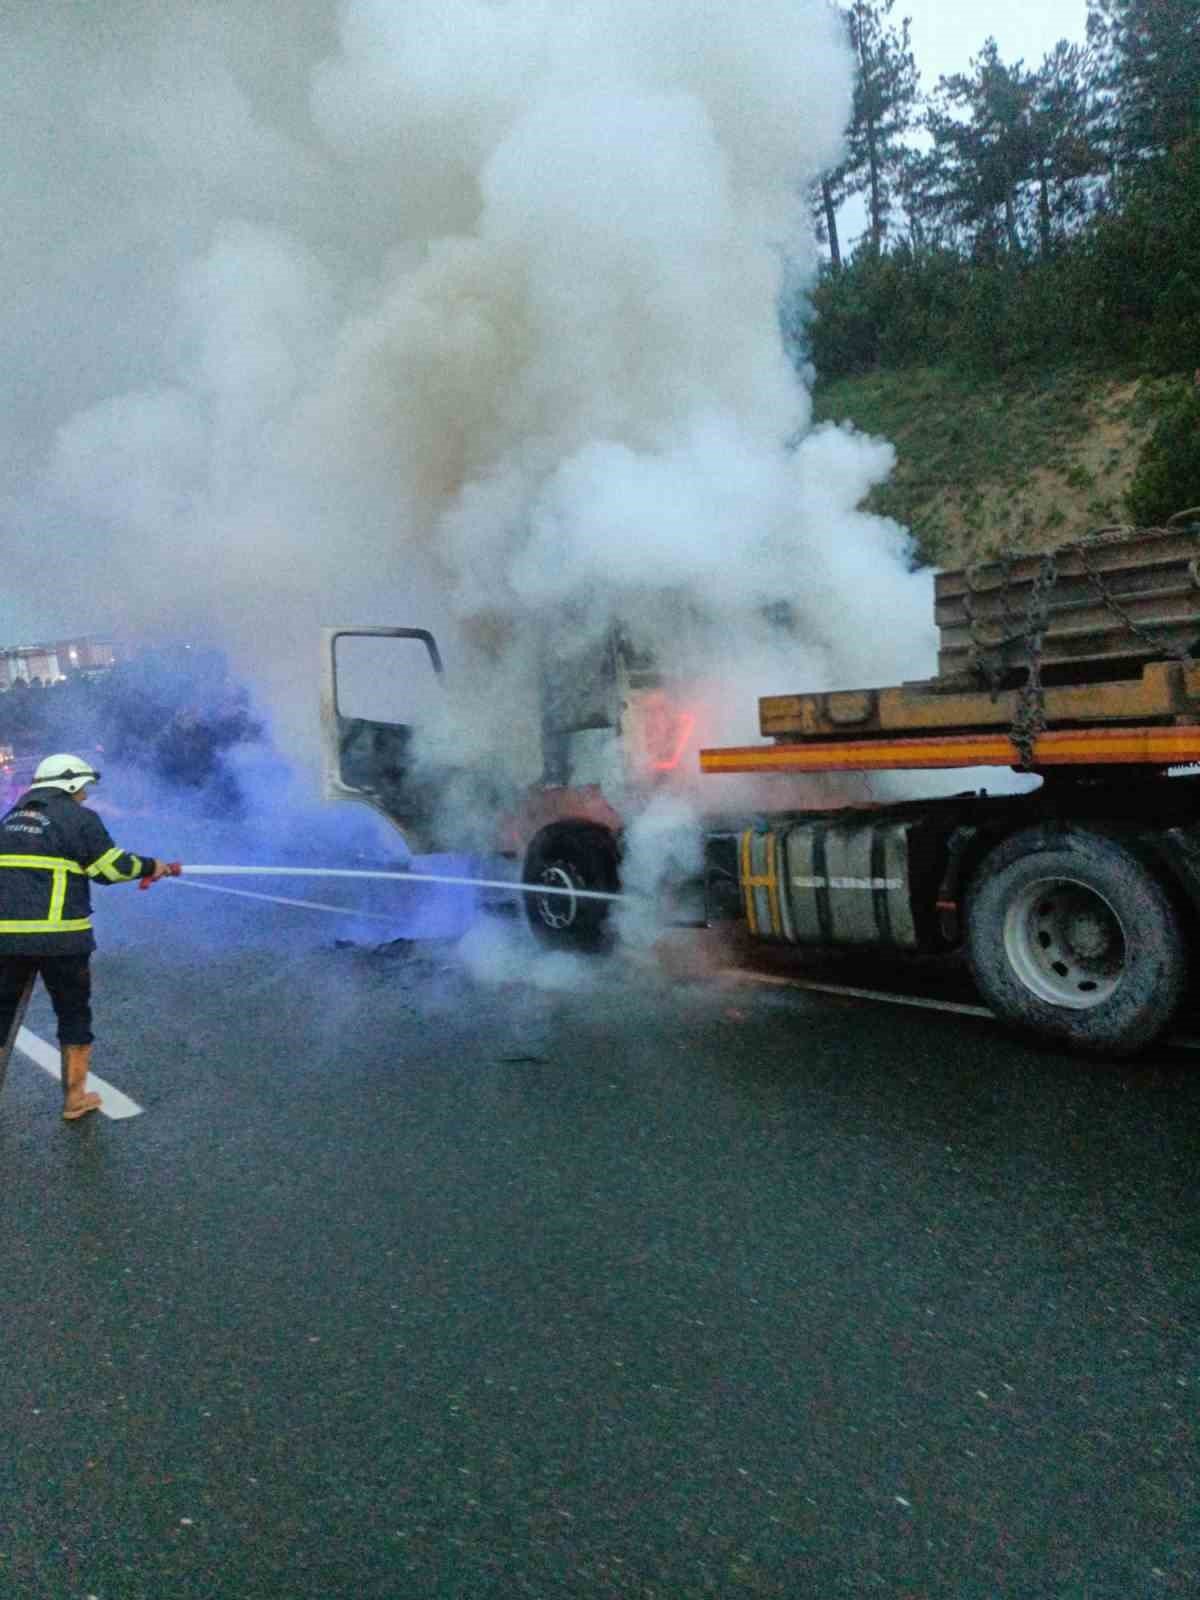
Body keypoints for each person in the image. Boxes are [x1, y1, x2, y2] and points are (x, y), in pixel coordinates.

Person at [0, 754, 175, 1120]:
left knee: (1, 1014)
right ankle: (75, 1099)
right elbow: (109, 869)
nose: (85, 795)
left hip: (7, 939)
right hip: (61, 940)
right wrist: (151, 865)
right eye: (82, 788)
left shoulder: (10, 820)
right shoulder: (78, 819)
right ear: (69, 784)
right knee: (73, 1014)